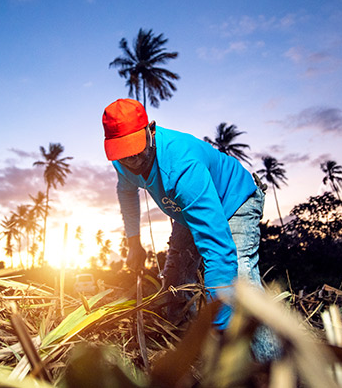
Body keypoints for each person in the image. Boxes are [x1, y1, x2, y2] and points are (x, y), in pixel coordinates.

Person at [102, 98, 279, 362]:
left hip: (233, 200)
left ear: (151, 129)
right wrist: (134, 242)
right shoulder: (123, 162)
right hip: (187, 211)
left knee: (240, 281)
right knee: (174, 280)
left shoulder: (184, 167)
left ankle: (273, 366)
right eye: (124, 152)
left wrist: (220, 329)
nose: (133, 158)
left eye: (136, 148)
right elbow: (126, 191)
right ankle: (183, 348)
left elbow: (218, 251)